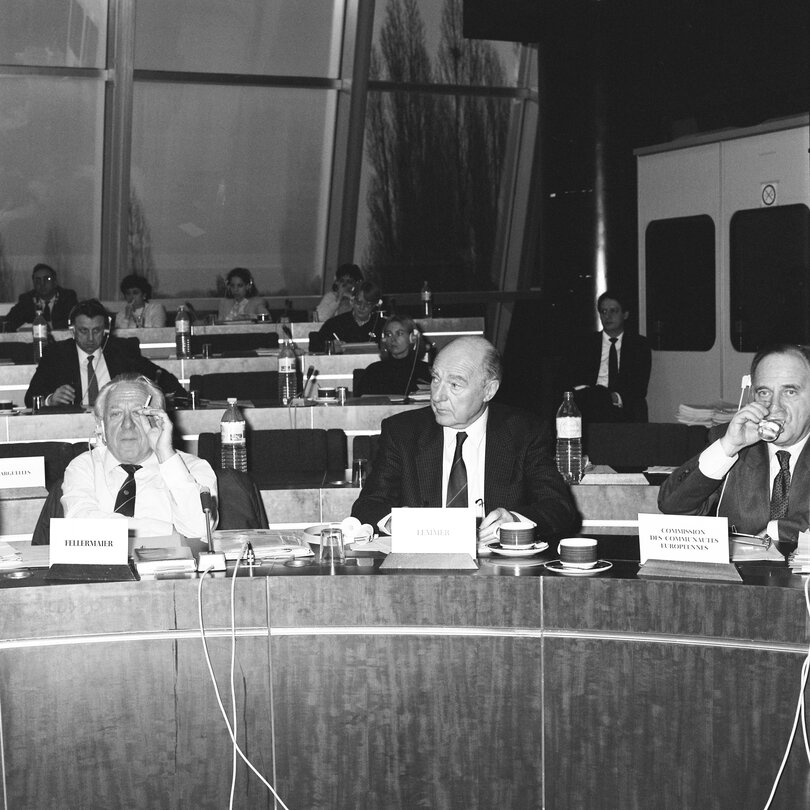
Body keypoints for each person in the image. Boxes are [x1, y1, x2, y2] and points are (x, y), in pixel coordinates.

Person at [351, 336, 580, 542]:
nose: (437, 396)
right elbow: (367, 506)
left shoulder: (525, 432)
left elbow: (559, 508)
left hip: (497, 568)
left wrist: (515, 521)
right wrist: (396, 522)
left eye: (454, 385)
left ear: (489, 391)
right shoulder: (403, 432)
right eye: (435, 379)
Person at [658, 343, 810, 550]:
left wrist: (774, 532)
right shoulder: (733, 441)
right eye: (764, 393)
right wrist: (728, 446)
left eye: (790, 392)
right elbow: (672, 506)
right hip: (742, 580)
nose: (775, 408)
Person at [61, 375, 217, 538]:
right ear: (101, 425)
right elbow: (80, 526)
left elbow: (200, 528)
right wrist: (167, 531)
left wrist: (166, 454)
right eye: (116, 414)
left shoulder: (194, 468)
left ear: (157, 420)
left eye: (138, 413)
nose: (127, 424)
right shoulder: (83, 467)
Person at [24, 299, 187, 408]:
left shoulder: (122, 351)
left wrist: (164, 399)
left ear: (106, 330)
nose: (90, 338)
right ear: (72, 330)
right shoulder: (56, 355)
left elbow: (165, 379)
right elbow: (30, 399)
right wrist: (50, 400)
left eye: (96, 330)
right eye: (83, 331)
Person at [565, 290, 651, 422]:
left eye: (613, 311)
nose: (608, 316)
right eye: (604, 311)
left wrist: (613, 398)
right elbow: (575, 378)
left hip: (622, 403)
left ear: (625, 314)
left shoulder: (639, 345)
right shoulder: (585, 344)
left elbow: (639, 386)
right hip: (590, 402)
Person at [356, 314, 431, 396]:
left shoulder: (426, 371)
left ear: (412, 337)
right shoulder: (373, 371)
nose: (393, 339)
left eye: (399, 334)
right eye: (389, 334)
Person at [5, 264, 78, 331]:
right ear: (33, 283)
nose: (42, 284)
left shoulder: (67, 297)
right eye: (38, 280)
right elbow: (9, 322)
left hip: (64, 342)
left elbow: (74, 322)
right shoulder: (27, 299)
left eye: (47, 279)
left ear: (55, 282)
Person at [318, 280, 384, 345]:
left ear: (374, 305)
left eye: (367, 304)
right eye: (359, 302)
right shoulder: (335, 324)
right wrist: (331, 346)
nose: (362, 307)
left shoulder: (381, 325)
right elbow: (316, 345)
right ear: (353, 300)